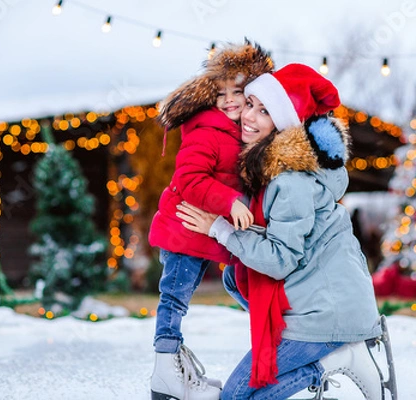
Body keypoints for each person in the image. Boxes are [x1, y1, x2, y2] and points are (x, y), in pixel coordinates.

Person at [177, 63, 384, 399]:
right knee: (235, 277)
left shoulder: (290, 182)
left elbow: (280, 260)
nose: (249, 116)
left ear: (282, 125)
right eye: (249, 104)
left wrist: (221, 230)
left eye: (264, 111)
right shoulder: (270, 173)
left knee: (235, 396)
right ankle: (325, 355)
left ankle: (336, 358)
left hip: (327, 316)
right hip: (315, 305)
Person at [148, 42, 274, 400]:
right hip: (182, 230)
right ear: (209, 95)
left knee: (217, 288)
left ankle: (178, 369)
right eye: (222, 93)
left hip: (202, 235)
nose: (231, 100)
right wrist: (231, 200)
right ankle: (165, 369)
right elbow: (190, 179)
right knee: (174, 298)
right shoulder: (206, 130)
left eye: (239, 92)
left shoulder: (237, 132)